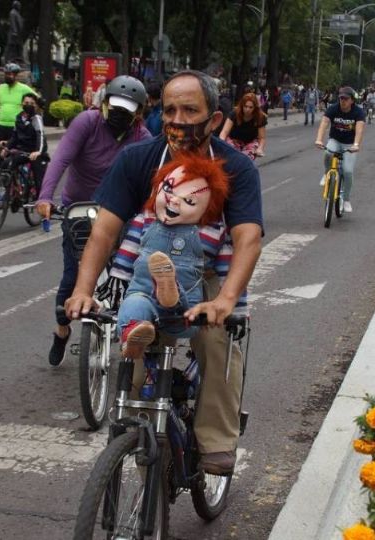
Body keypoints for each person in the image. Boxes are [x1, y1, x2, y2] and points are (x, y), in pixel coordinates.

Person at [64, 70, 264, 475]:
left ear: (212, 119)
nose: (177, 119)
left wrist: (225, 300)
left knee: (215, 340)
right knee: (134, 352)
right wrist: (83, 290)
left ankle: (216, 440)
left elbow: (248, 238)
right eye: (169, 109)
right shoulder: (137, 159)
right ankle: (136, 434)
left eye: (189, 110)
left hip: (203, 278)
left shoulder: (237, 168)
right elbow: (105, 230)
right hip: (145, 275)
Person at [35, 75, 152, 366]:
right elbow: (60, 159)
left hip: (121, 211)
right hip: (79, 208)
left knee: (128, 271)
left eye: (127, 110)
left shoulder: (143, 138)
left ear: (138, 113)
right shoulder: (86, 123)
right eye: (115, 107)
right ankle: (62, 329)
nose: (119, 114)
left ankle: (127, 325)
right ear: (104, 104)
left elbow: (152, 178)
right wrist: (45, 197)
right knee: (72, 275)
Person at [114, 154, 234, 392]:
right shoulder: (145, 220)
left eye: (189, 201)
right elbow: (127, 253)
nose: (175, 202)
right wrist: (117, 280)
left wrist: (233, 306)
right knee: (134, 305)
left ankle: (168, 291)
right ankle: (135, 335)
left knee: (173, 306)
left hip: (185, 310)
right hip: (144, 296)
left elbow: (226, 271)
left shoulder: (212, 232)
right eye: (169, 190)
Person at [314, 86, 365, 213]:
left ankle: (346, 199)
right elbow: (324, 124)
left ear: (352, 100)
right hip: (335, 140)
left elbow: (359, 130)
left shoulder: (358, 112)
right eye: (341, 98)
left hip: (349, 145)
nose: (343, 101)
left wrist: (356, 144)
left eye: (346, 99)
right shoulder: (333, 109)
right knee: (327, 152)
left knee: (348, 171)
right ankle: (327, 175)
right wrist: (319, 139)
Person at [0, 92, 48, 196]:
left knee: (38, 177)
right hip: (23, 150)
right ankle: (13, 191)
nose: (28, 105)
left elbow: (40, 135)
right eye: (26, 102)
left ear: (35, 105)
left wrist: (38, 151)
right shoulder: (19, 118)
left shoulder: (36, 118)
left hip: (35, 152)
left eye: (32, 103)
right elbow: (14, 136)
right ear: (21, 104)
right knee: (6, 164)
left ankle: (40, 198)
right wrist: (6, 148)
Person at [0, 63, 35, 143]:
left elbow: (36, 101)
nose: (7, 76)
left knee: (13, 150)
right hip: (1, 125)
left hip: (16, 126)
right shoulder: (0, 88)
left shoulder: (24, 88)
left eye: (9, 74)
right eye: (6, 74)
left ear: (15, 75)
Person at [218, 93, 267, 160]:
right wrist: (221, 143)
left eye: (250, 107)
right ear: (242, 106)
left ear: (255, 108)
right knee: (231, 158)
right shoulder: (234, 113)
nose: (247, 109)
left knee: (246, 160)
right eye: (245, 106)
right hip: (234, 140)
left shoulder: (260, 117)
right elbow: (224, 132)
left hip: (250, 142)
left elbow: (262, 138)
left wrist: (260, 149)